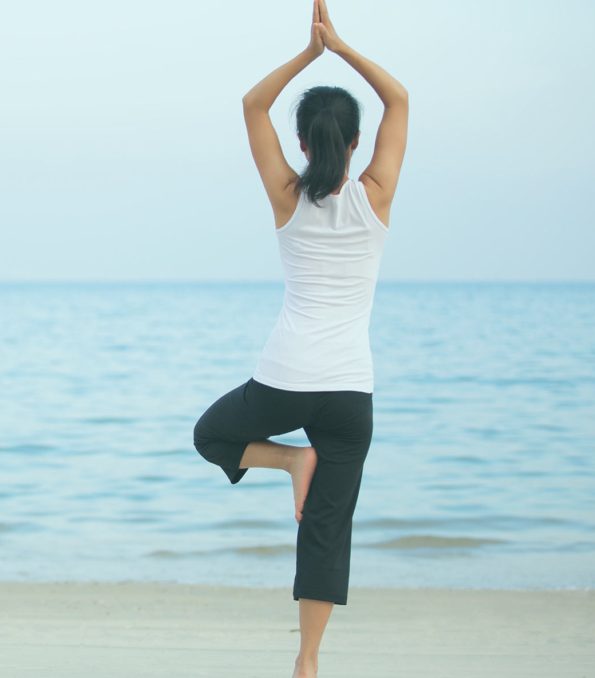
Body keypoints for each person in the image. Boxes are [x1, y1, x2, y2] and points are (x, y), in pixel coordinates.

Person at [191, 1, 408, 676]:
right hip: (349, 393)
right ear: (354, 143)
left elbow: (253, 106)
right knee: (326, 530)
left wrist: (307, 55)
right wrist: (340, 49)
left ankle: (289, 462)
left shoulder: (287, 194)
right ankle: (308, 661)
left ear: (306, 144)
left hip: (283, 382)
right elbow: (399, 96)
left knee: (211, 436)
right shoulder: (375, 194)